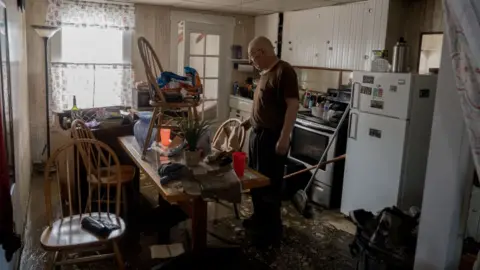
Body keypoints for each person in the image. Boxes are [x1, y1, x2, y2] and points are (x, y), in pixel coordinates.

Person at [241, 36, 299, 246]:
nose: (251, 62)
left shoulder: (285, 71)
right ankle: (259, 218)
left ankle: (272, 228)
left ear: (261, 52)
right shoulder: (265, 73)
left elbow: (292, 106)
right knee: (256, 180)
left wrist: (284, 137)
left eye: (252, 57)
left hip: (272, 137)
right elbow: (264, 106)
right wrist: (248, 123)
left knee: (270, 184)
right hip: (257, 135)